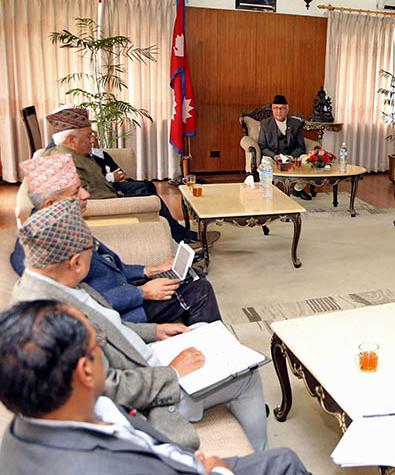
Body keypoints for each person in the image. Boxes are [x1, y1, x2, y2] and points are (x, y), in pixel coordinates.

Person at [12, 198, 269, 452]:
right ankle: (258, 457)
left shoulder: (54, 284)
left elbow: (108, 326)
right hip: (149, 394)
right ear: (76, 262)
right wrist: (174, 372)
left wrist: (155, 331)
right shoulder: (50, 320)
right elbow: (107, 389)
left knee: (206, 331)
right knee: (247, 376)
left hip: (146, 358)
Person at [0, 300, 309, 475]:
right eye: (98, 346)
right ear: (85, 371)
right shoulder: (99, 466)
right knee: (285, 462)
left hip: (175, 458)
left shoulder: (27, 428)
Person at [10, 155, 222, 326]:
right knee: (199, 290)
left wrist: (148, 271)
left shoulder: (63, 223)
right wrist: (142, 293)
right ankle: (216, 359)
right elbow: (77, 303)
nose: (85, 194)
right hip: (119, 312)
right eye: (76, 192)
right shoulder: (39, 250)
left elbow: (107, 263)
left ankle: (196, 339)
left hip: (123, 287)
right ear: (50, 203)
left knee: (192, 274)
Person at [42, 106, 219, 246]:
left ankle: (182, 236)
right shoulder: (62, 162)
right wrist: (117, 195)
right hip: (109, 206)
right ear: (71, 140)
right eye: (88, 136)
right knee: (150, 197)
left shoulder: (77, 155)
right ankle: (182, 238)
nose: (92, 141)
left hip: (111, 196)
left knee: (146, 189)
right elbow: (80, 198)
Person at [257, 95, 310, 200]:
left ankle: (298, 189)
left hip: (291, 156)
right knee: (265, 164)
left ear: (287, 109)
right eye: (276, 108)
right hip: (273, 156)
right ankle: (268, 190)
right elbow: (262, 147)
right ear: (272, 109)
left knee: (306, 161)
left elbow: (301, 146)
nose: (279, 111)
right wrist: (275, 156)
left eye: (282, 108)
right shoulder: (265, 124)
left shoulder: (295, 123)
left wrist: (291, 156)